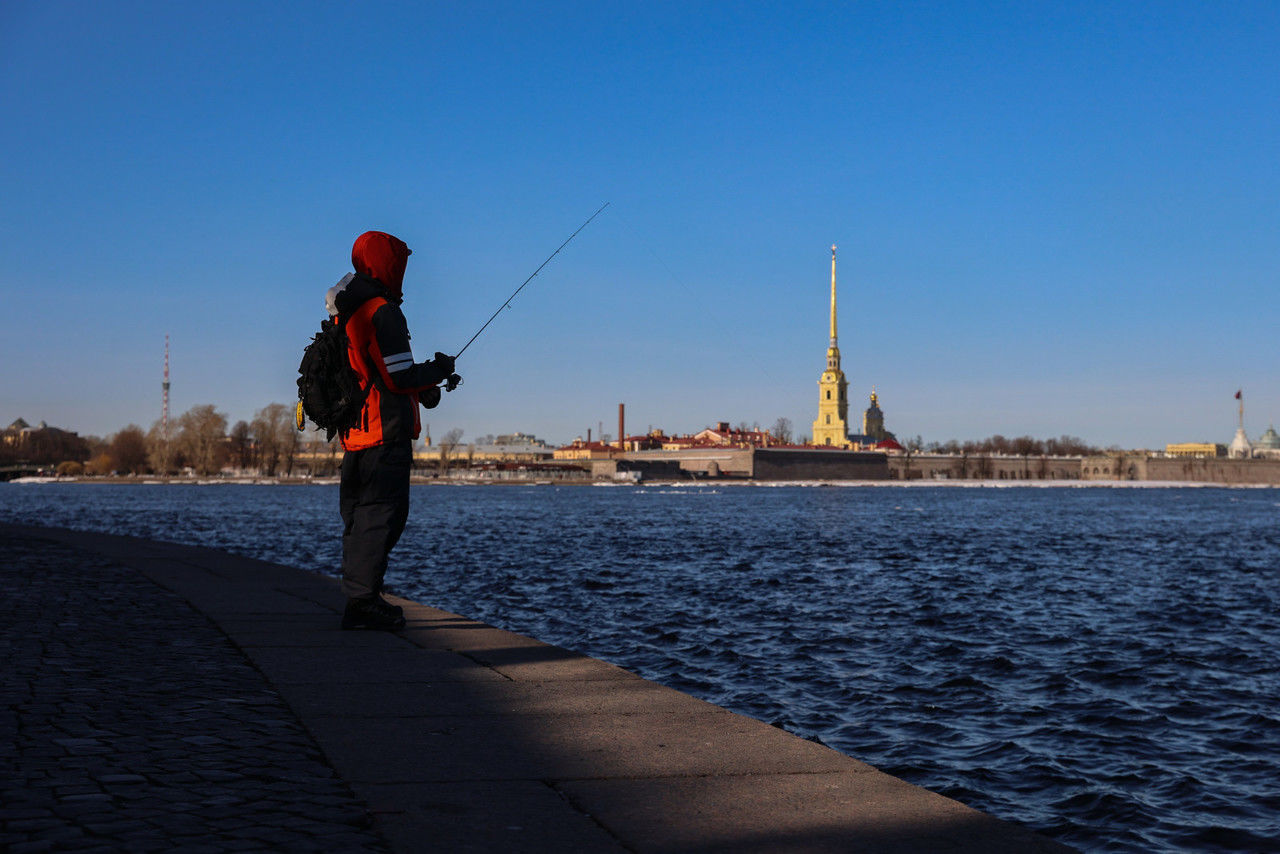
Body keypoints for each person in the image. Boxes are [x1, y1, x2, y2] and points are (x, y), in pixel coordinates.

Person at [331, 230, 457, 631]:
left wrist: (426, 386)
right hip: (383, 434)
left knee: (361, 517)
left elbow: (381, 374)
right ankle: (364, 603)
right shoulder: (380, 310)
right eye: (399, 263)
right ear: (387, 265)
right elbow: (400, 375)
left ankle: (362, 597)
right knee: (382, 516)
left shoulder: (346, 309)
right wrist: (438, 369)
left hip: (357, 433)